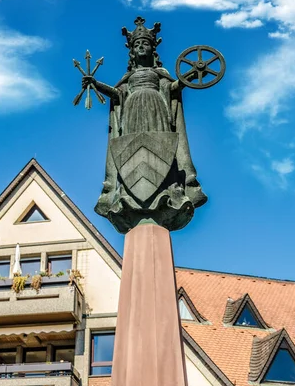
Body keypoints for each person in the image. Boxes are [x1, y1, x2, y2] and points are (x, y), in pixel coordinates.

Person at [82, 17, 207, 233]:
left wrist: (190, 75)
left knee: (159, 147)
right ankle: (130, 191)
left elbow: (172, 88)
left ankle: (166, 188)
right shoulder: (127, 78)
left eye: (145, 43)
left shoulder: (160, 74)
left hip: (157, 108)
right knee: (133, 148)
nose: (141, 47)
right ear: (131, 50)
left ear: (152, 48)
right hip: (131, 112)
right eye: (137, 44)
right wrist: (96, 84)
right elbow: (117, 95)